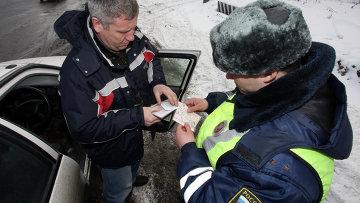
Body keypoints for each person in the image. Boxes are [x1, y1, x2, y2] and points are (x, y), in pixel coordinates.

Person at [175, 0, 353, 202]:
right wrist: (210, 103)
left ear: (268, 73)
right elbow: (247, 104)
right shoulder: (292, 85)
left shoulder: (279, 172)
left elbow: (208, 197)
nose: (228, 77)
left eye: (234, 72)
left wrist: (188, 150)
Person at [54, 0, 178, 202]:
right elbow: (84, 129)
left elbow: (151, 55)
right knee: (118, 190)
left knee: (133, 163)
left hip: (134, 134)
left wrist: (157, 83)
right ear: (98, 24)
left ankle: (131, 176)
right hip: (111, 151)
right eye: (123, 32)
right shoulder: (76, 73)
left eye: (134, 28)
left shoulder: (130, 33)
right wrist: (138, 116)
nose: (132, 37)